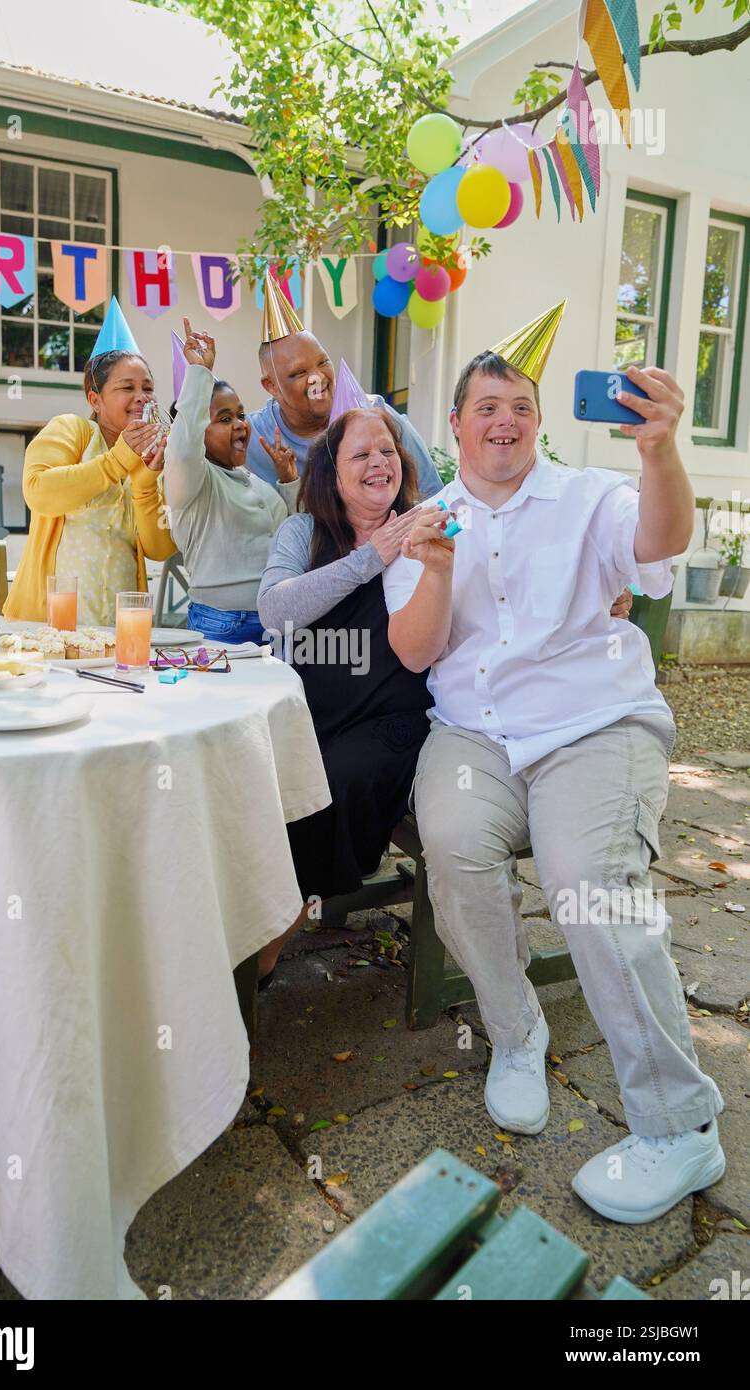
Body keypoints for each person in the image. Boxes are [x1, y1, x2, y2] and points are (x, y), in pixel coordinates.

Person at [384, 310, 725, 1225]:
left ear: (540, 423)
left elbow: (658, 544)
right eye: (486, 406)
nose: (504, 422)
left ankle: (678, 1124)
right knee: (452, 852)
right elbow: (415, 656)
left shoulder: (590, 497)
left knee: (586, 882)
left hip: (591, 725)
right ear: (454, 424)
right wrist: (433, 573)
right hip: (473, 735)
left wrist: (659, 450)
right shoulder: (424, 520)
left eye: (521, 408)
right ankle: (515, 1031)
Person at [256, 405, 428, 982]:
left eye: (387, 451)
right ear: (331, 474)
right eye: (362, 454)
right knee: (249, 789)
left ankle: (266, 948)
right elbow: (276, 612)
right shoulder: (304, 531)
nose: (379, 463)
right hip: (306, 717)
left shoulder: (425, 528)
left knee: (329, 787)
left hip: (388, 718)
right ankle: (246, 913)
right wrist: (369, 560)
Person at [5, 299, 173, 624]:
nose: (142, 396)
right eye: (127, 387)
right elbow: (38, 492)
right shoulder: (72, 429)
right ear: (95, 399)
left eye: (148, 388)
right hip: (50, 627)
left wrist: (147, 481)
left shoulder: (147, 457)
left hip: (120, 630)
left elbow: (161, 549)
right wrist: (117, 460)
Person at [163, 319, 300, 645]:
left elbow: (294, 540)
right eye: (224, 419)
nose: (239, 424)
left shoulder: (257, 483)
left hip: (276, 625)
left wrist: (289, 481)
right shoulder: (193, 482)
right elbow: (182, 450)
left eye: (240, 415)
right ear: (198, 429)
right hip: (223, 626)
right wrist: (199, 373)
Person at [246, 275, 443, 499]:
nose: (317, 377)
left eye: (323, 363)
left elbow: (433, 494)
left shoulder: (375, 414)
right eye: (299, 373)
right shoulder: (252, 436)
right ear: (271, 385)